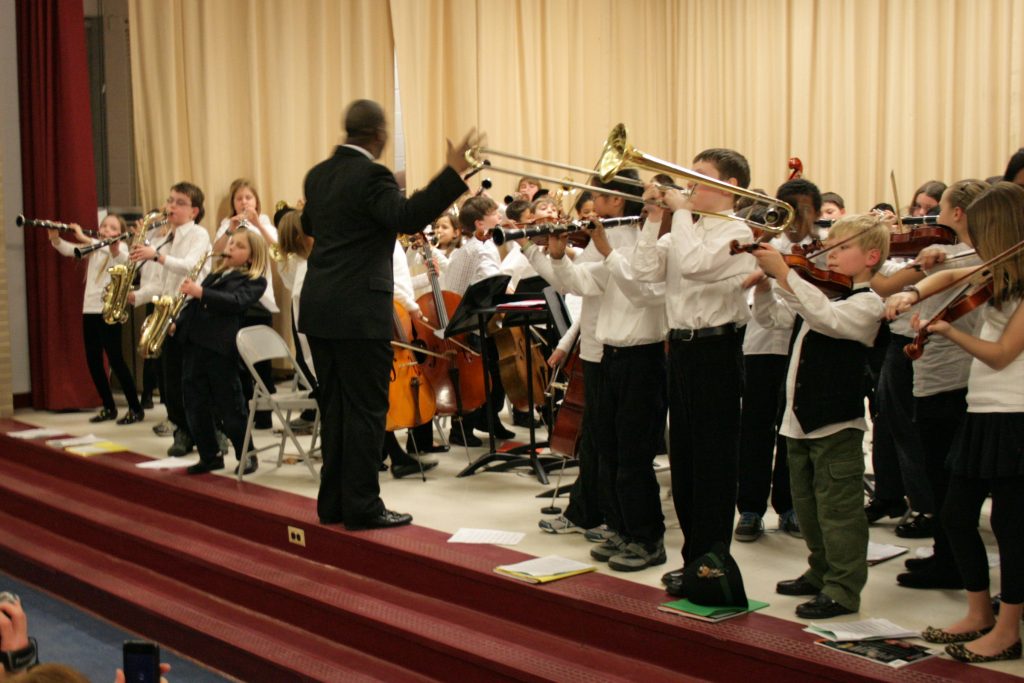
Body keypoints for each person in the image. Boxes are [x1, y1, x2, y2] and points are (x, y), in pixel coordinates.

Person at [300, 99, 475, 530]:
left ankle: (333, 503)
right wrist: (453, 174)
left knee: (337, 407)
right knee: (365, 410)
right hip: (359, 311)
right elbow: (409, 216)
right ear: (379, 136)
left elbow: (308, 224)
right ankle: (361, 505)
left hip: (321, 308)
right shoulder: (372, 175)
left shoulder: (318, 174)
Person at [895, 182, 1024, 664]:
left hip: (1015, 415)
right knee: (954, 514)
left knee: (1012, 529)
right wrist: (912, 291)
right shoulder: (996, 270)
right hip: (983, 412)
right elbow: (945, 279)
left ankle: (1008, 628)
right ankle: (978, 613)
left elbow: (1001, 354)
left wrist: (948, 330)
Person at [629, 149, 756, 595]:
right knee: (684, 463)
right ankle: (693, 560)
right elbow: (645, 274)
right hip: (680, 350)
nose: (688, 185)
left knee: (713, 466)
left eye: (698, 178)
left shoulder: (738, 232)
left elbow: (697, 266)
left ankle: (713, 563)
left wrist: (679, 214)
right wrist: (652, 217)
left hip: (716, 351)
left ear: (732, 187)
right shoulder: (686, 228)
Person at [752, 213, 889, 619]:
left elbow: (828, 322)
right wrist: (767, 287)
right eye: (828, 247)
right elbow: (773, 319)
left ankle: (844, 588)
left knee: (839, 512)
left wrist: (787, 277)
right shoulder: (821, 294)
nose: (829, 255)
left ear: (871, 257)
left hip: (835, 423)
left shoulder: (867, 303)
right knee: (808, 508)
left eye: (841, 248)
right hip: (798, 421)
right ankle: (820, 569)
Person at [547, 208, 667, 572]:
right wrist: (554, 254)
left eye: (654, 202)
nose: (649, 208)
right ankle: (621, 528)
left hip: (643, 356)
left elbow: (643, 290)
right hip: (610, 355)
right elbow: (579, 283)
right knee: (610, 451)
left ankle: (647, 538)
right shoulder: (613, 250)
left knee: (633, 454)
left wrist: (606, 247)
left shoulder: (659, 246)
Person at [882, 179, 988, 590]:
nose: (932, 219)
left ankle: (953, 564)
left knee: (945, 478)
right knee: (938, 474)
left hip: (952, 378)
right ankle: (946, 556)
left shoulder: (971, 256)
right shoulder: (946, 252)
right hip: (935, 375)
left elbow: (891, 285)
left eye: (940, 208)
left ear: (957, 213)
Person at [735, 179, 824, 542]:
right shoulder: (763, 245)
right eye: (788, 210)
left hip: (800, 349)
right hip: (761, 348)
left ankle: (789, 506)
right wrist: (761, 277)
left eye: (803, 211)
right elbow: (746, 294)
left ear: (816, 213)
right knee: (755, 430)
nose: (795, 220)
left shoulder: (822, 251)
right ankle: (750, 510)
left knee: (792, 432)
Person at [175, 227, 268, 476]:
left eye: (239, 246)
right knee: (194, 403)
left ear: (251, 257)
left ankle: (246, 454)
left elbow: (235, 303)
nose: (230, 248)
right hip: (195, 344)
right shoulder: (215, 275)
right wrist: (177, 323)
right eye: (230, 243)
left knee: (231, 406)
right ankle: (210, 455)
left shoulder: (254, 280)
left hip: (220, 349)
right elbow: (193, 305)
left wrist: (201, 292)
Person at [129, 183, 213, 457]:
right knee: (170, 380)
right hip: (167, 312)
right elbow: (162, 282)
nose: (171, 207)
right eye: (169, 200)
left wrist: (157, 255)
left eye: (179, 202)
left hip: (191, 312)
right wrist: (137, 296)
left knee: (191, 380)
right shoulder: (167, 238)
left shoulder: (199, 234)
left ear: (194, 211)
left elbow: (190, 265)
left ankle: (206, 432)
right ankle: (182, 430)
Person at [48, 215, 144, 425]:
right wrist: (56, 239)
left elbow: (125, 263)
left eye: (112, 227)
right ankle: (108, 407)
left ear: (120, 233)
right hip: (89, 309)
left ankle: (135, 408)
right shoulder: (94, 247)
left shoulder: (122, 250)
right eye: (104, 225)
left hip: (109, 310)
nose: (106, 229)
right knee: (93, 360)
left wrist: (83, 236)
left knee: (116, 360)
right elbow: (71, 250)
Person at [213, 179, 280, 430]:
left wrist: (256, 225)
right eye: (239, 198)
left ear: (256, 202)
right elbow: (217, 253)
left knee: (261, 364)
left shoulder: (265, 223)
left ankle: (263, 418)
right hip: (232, 299)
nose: (243, 202)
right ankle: (240, 414)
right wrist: (231, 230)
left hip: (260, 300)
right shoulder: (226, 224)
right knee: (236, 363)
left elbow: (276, 249)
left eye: (248, 198)